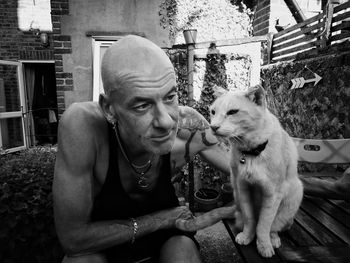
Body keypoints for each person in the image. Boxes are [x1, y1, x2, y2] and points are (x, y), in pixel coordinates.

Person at [53, 35, 230, 263]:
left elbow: (248, 172)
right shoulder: (84, 127)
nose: (166, 122)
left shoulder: (189, 129)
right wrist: (160, 219)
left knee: (182, 251)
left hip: (168, 241)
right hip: (103, 245)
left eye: (170, 96)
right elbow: (73, 239)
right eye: (142, 105)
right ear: (109, 108)